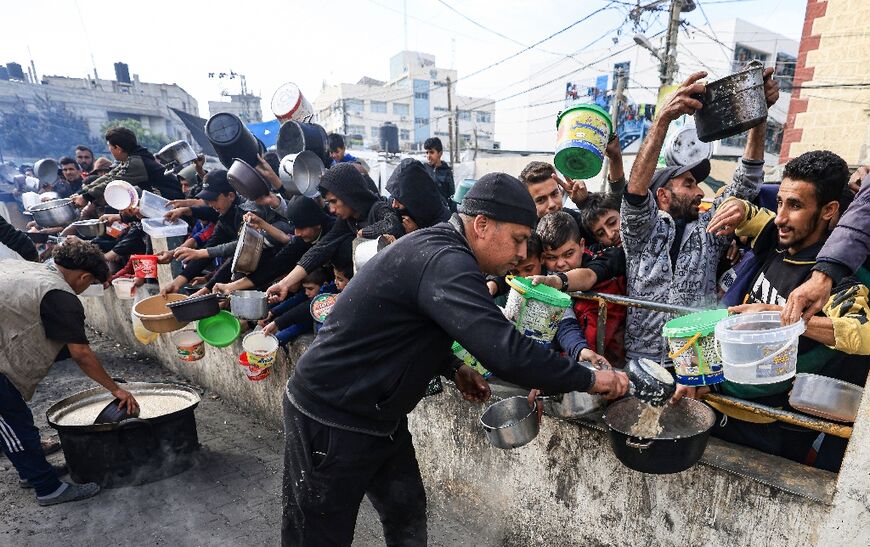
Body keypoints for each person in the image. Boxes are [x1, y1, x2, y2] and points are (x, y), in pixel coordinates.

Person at [279, 172, 629, 546]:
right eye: (518, 239)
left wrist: (453, 366)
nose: (523, 254)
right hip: (331, 415)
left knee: (406, 510)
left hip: (379, 415)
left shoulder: (443, 252)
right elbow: (506, 350)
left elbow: (406, 325)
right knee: (318, 534)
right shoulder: (446, 260)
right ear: (481, 225)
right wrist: (592, 379)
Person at [679, 150, 870, 471]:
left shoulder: (839, 278)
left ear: (829, 211)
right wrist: (737, 207)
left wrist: (788, 321)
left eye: (795, 205)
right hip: (723, 405)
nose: (780, 215)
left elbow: (862, 334)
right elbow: (754, 214)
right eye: (780, 202)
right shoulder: (780, 237)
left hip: (773, 428)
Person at [620, 69, 778, 363]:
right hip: (643, 359)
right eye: (689, 184)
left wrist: (759, 114)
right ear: (663, 195)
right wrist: (664, 118)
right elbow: (635, 189)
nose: (700, 193)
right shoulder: (640, 233)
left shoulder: (711, 229)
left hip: (695, 359)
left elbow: (747, 181)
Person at [0, 239, 139, 506]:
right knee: (11, 425)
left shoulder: (32, 269)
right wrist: (116, 389)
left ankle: (33, 472)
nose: (86, 289)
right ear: (84, 276)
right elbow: (82, 354)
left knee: (18, 418)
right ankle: (46, 489)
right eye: (90, 284)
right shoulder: (59, 294)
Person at [266, 163, 404, 301]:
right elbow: (319, 250)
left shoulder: (378, 207)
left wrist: (365, 232)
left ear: (349, 195)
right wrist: (284, 284)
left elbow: (393, 225)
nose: (331, 209)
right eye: (328, 203)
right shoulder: (347, 220)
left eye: (334, 201)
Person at [783, 166, 870, 324]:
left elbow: (861, 329)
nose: (780, 219)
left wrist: (779, 316)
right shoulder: (779, 245)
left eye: (795, 206)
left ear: (830, 210)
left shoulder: (845, 277)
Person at [160, 170, 244, 295]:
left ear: (231, 196)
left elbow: (240, 250)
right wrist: (177, 283)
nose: (210, 204)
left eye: (213, 199)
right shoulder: (224, 217)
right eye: (207, 200)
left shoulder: (245, 214)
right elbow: (208, 249)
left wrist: (207, 287)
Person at [73, 127, 184, 206]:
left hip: (172, 200)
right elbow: (109, 177)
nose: (109, 150)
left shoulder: (136, 162)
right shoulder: (130, 159)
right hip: (162, 200)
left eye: (110, 147)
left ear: (118, 148)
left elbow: (113, 182)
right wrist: (81, 193)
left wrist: (86, 197)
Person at [386, 158, 450, 233]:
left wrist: (416, 234)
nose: (394, 205)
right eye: (394, 197)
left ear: (415, 199)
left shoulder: (443, 224)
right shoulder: (398, 206)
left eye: (400, 200)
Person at [423, 137, 456, 212]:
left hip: (440, 212)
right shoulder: (423, 169)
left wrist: (454, 215)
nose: (428, 156)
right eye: (427, 152)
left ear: (440, 153)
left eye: (431, 152)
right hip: (424, 211)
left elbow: (452, 197)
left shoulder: (447, 172)